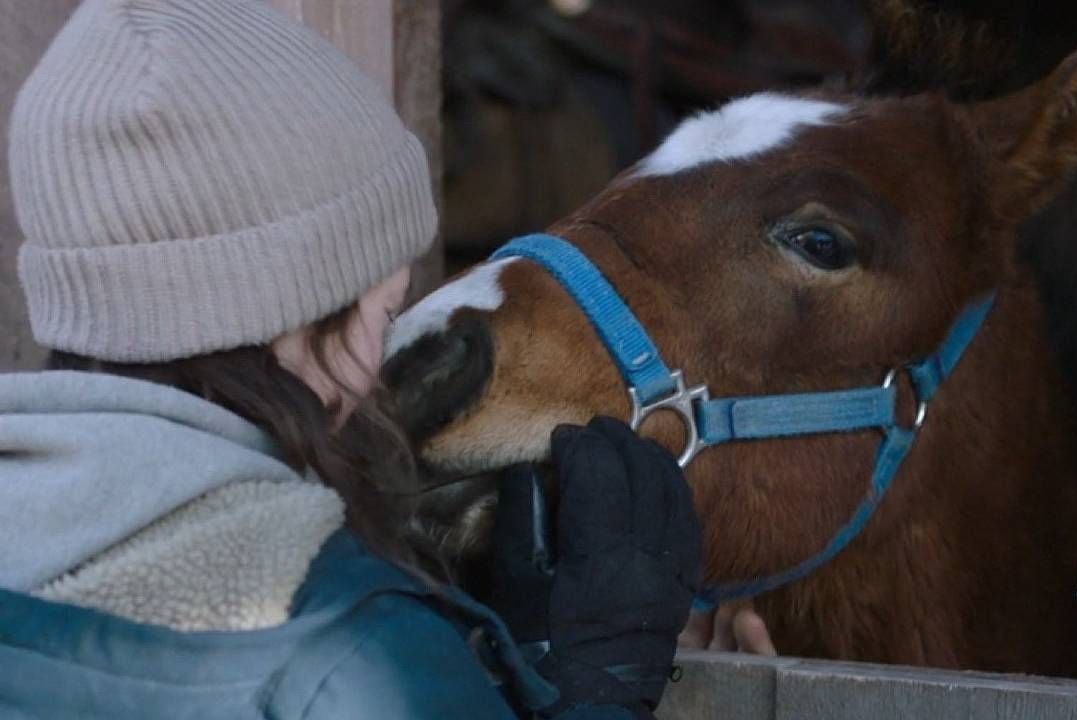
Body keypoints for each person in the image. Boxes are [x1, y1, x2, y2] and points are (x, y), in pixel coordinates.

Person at [0, 1, 700, 718]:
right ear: (290, 318)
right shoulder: (354, 660)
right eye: (386, 311)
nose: (377, 366)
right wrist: (599, 684)